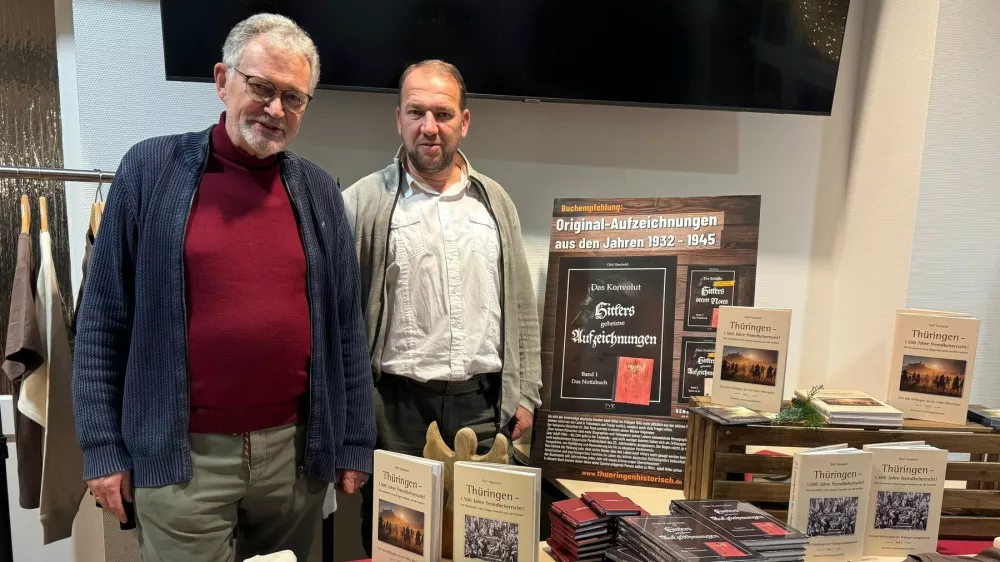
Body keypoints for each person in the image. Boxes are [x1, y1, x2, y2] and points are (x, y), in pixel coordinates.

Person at [71, 14, 374, 561]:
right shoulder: (149, 171)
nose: (275, 109)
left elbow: (345, 331)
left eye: (293, 97)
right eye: (261, 87)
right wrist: (101, 447)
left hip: (295, 456)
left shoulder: (321, 194)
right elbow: (101, 321)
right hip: (180, 456)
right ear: (221, 80)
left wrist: (352, 439)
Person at [341, 60, 542, 554]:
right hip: (395, 413)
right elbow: (338, 323)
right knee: (401, 544)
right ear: (399, 119)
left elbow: (521, 305)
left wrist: (527, 393)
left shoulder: (496, 202)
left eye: (442, 113)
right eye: (416, 112)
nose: (429, 127)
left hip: (485, 408)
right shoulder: (361, 203)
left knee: (488, 546)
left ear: (464, 121)